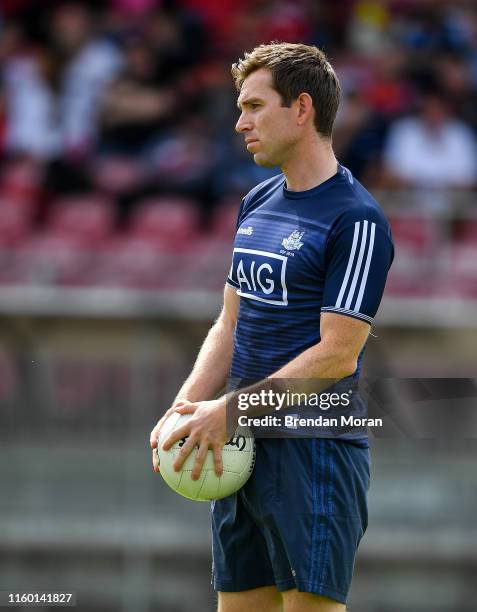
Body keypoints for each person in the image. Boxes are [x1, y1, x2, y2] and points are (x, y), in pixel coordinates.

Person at [150, 42, 394, 612]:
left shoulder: (356, 219)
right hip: (239, 449)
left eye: (255, 106)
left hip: (313, 453)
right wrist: (186, 407)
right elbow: (230, 322)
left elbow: (337, 354)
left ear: (302, 109)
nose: (240, 123)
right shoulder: (257, 200)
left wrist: (228, 410)